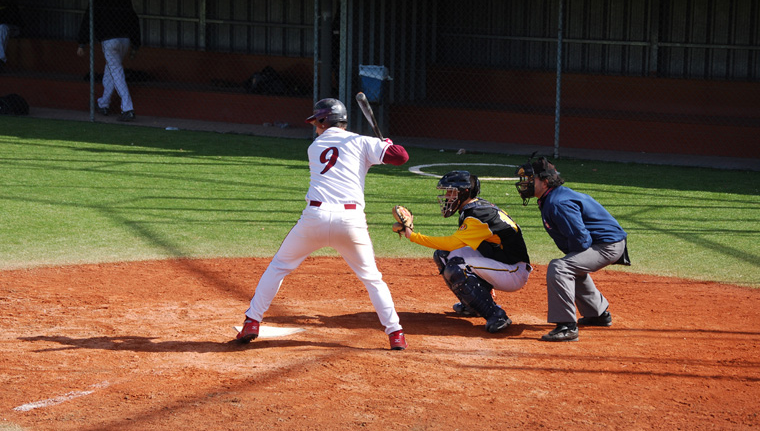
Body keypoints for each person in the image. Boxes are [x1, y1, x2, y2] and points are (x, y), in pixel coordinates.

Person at [237, 98, 410, 350]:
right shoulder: (361, 141)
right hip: (351, 222)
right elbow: (401, 157)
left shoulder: (316, 146)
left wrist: (379, 148)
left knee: (279, 267)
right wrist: (386, 146)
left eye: (316, 122)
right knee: (373, 279)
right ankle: (396, 334)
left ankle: (252, 322)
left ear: (323, 121)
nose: (315, 128)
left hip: (314, 219)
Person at [398, 170, 531, 334]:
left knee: (458, 267)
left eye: (450, 192)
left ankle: (497, 315)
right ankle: (472, 305)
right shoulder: (474, 209)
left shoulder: (478, 215)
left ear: (464, 192)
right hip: (498, 263)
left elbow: (452, 242)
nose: (446, 196)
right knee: (443, 255)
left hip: (513, 271)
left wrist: (412, 236)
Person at [515, 156, 630, 342]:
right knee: (570, 265)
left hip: (608, 245)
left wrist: (572, 256)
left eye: (530, 179)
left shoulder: (557, 203)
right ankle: (597, 314)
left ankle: (566, 326)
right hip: (605, 242)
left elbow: (581, 239)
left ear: (545, 181)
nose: (525, 183)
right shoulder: (551, 197)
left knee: (560, 267)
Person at [76, 0, 141, 122]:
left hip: (109, 41)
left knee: (116, 72)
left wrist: (82, 42)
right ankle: (103, 103)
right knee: (111, 71)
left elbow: (88, 20)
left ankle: (128, 108)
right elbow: (134, 20)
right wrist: (136, 44)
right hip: (125, 40)